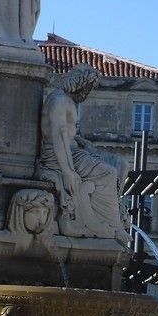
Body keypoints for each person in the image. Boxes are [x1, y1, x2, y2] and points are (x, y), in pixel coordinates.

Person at [37, 65, 128, 238]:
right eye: (87, 88)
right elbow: (58, 136)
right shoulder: (59, 100)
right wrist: (67, 172)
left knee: (121, 164)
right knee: (108, 173)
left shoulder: (66, 99)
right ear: (78, 83)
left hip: (76, 151)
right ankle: (111, 226)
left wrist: (81, 142)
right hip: (60, 156)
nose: (87, 93)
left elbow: (68, 134)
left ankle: (116, 209)